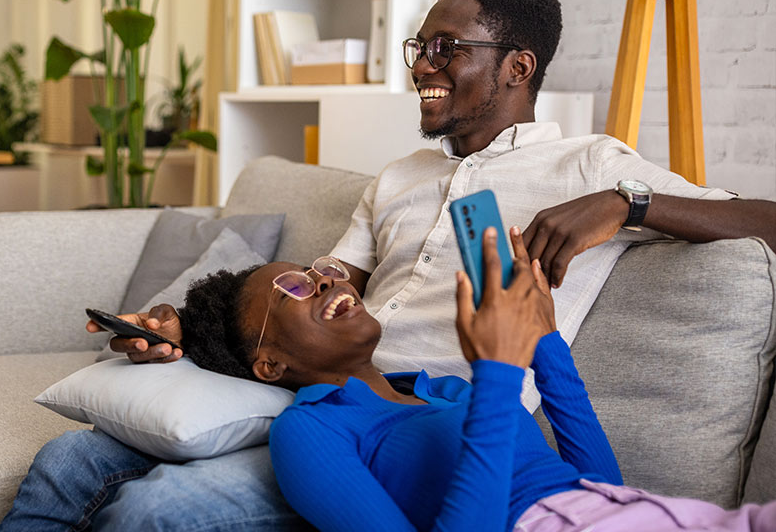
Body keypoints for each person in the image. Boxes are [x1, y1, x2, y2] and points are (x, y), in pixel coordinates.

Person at [0, 0, 776, 531]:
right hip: (325, 386)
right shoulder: (399, 175)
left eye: (447, 50)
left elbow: (767, 219)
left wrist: (626, 201)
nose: (422, 69)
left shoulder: (592, 163)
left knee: (160, 510)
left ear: (517, 66)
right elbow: (321, 281)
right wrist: (198, 332)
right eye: (420, 47)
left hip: (443, 426)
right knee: (70, 460)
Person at [176, 228, 775, 531]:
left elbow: (596, 485)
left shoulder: (445, 388)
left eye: (319, 272)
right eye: (296, 288)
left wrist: (542, 342)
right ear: (270, 364)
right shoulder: (311, 430)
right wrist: (496, 371)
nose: (329, 281)